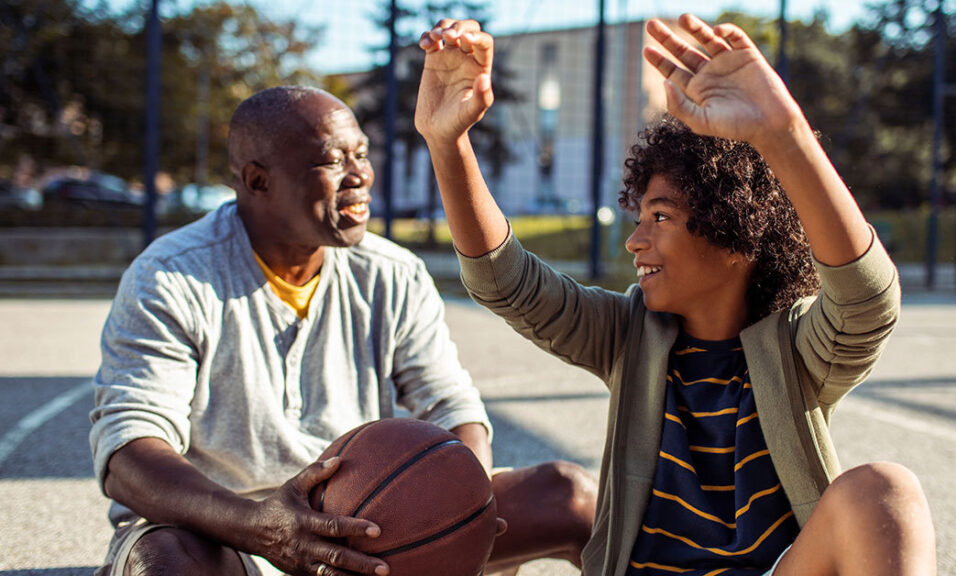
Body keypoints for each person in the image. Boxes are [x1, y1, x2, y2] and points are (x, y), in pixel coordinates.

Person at [415, 14, 936, 576]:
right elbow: (506, 282)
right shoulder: (625, 335)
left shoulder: (799, 352)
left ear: (737, 231)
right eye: (640, 217)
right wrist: (449, 143)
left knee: (884, 490)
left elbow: (865, 299)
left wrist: (782, 133)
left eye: (661, 216)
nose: (636, 241)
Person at [89, 85, 596, 576]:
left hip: (371, 525)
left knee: (569, 497)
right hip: (223, 529)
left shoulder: (392, 272)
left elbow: (450, 405)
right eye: (333, 161)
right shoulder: (171, 276)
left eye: (362, 155)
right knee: (167, 562)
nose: (360, 176)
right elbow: (130, 450)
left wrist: (463, 501)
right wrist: (257, 526)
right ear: (257, 180)